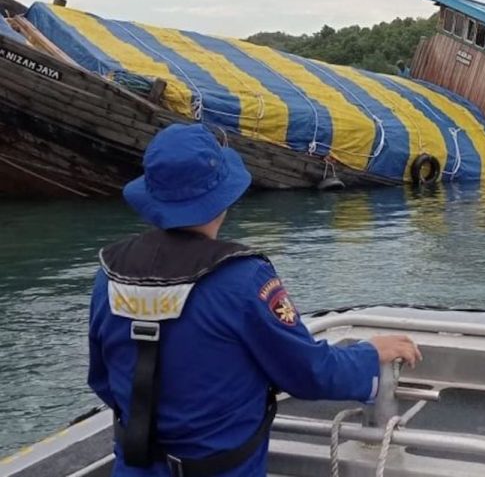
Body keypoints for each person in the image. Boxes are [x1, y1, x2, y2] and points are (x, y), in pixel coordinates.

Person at [88, 123, 421, 477]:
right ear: (223, 199)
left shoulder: (110, 273)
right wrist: (370, 355)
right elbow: (308, 373)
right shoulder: (243, 279)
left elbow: (103, 379)